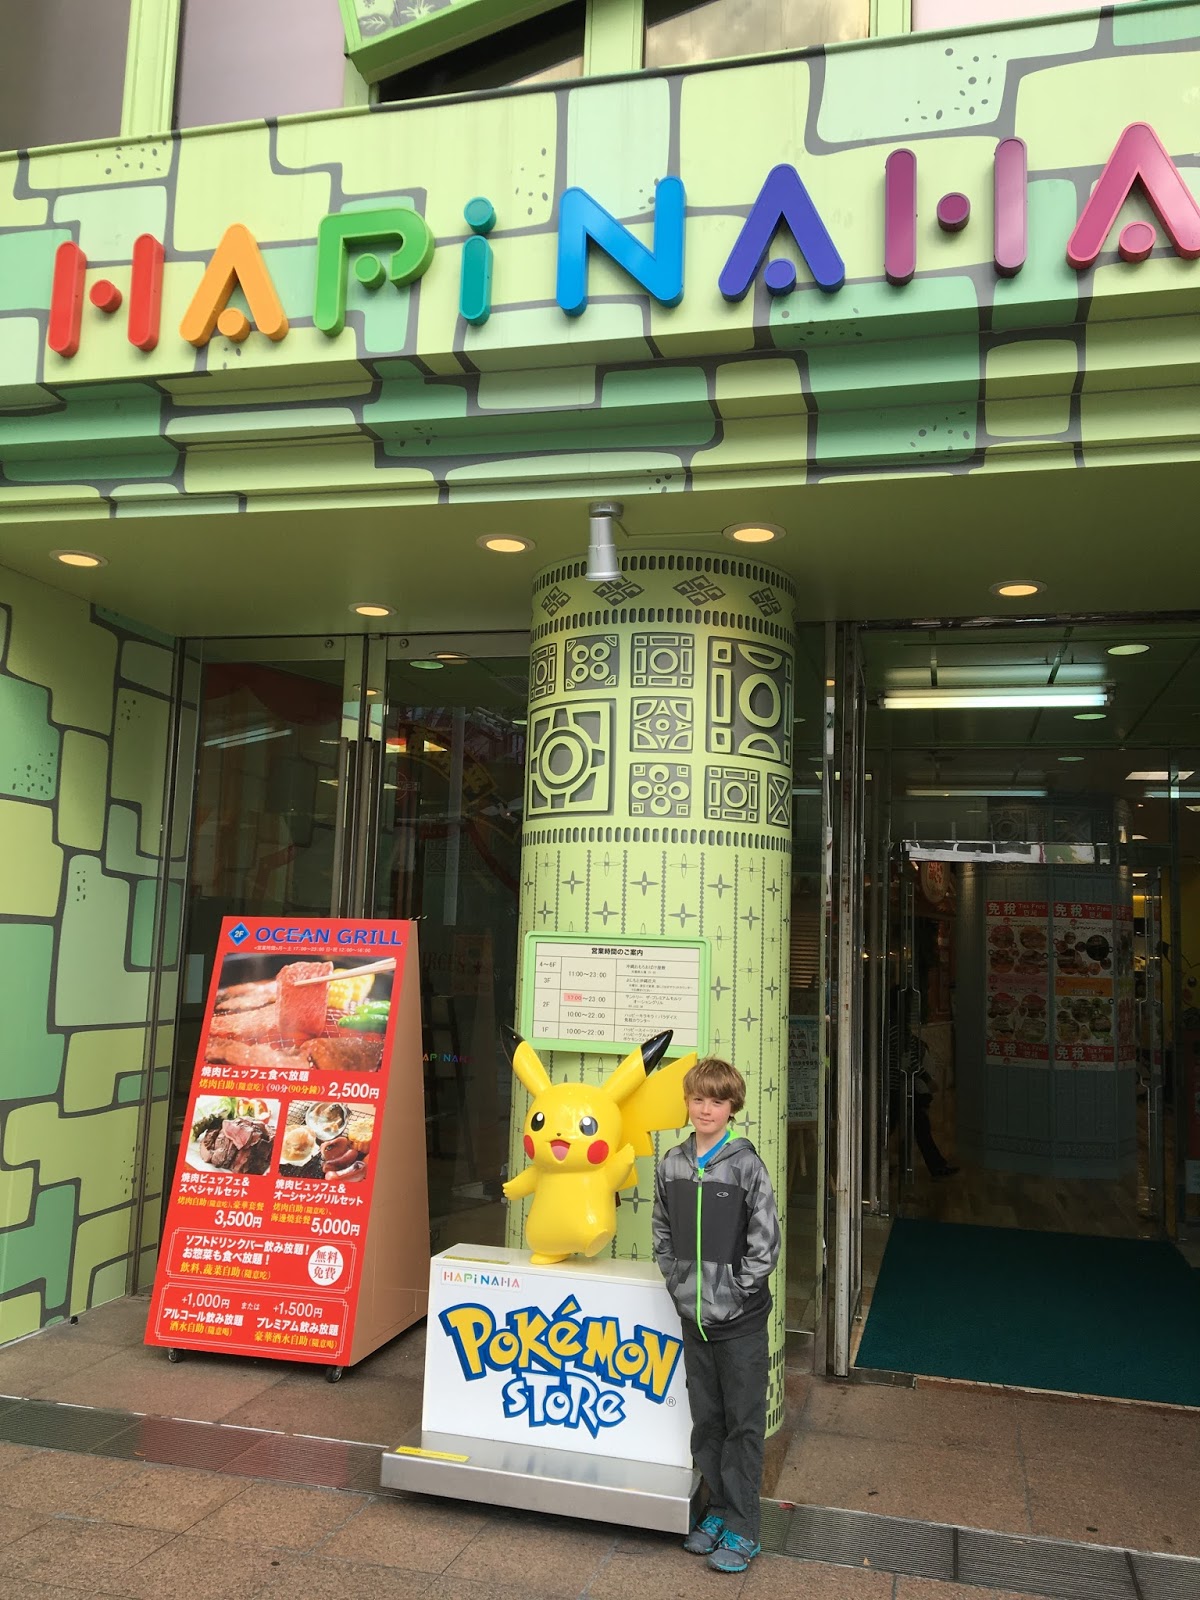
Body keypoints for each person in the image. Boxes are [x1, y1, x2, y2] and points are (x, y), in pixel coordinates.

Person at [652, 1057, 781, 1574]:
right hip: (694, 1319)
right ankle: (718, 1511)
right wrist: (679, 1285)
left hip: (739, 1322)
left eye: (717, 1101)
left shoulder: (745, 1166)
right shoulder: (672, 1164)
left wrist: (734, 1294)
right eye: (698, 1099)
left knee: (742, 1424)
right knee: (707, 1421)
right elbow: (662, 1232)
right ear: (688, 1102)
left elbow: (765, 1244)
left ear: (732, 1107)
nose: (706, 1109)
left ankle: (744, 1526)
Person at [888, 990, 958, 1179]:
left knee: (915, 1126)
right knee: (913, 1126)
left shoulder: (895, 1027)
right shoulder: (896, 1029)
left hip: (898, 1086)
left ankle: (935, 1166)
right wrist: (927, 1079)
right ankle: (935, 1167)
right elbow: (906, 1061)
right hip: (897, 1086)